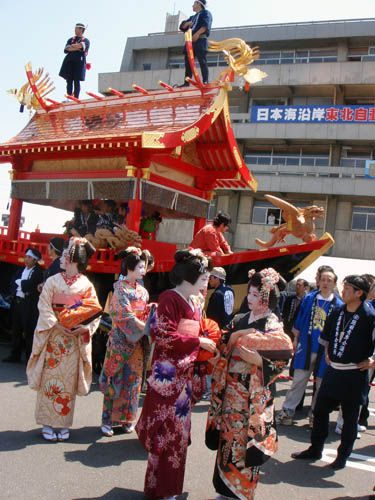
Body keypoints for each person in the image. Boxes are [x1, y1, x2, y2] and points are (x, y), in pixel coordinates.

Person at [206, 268, 293, 500]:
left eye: (255, 295)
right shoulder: (240, 318)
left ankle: (243, 492)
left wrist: (258, 360)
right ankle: (224, 489)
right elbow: (225, 342)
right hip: (231, 391)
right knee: (228, 440)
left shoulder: (272, 323)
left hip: (251, 395)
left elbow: (284, 350)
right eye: (250, 294)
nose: (249, 298)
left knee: (247, 444)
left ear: (266, 299)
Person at [136, 249, 216, 500]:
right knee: (165, 432)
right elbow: (161, 334)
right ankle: (158, 489)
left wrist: (207, 339)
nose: (207, 281)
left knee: (178, 436)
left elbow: (198, 330)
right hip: (168, 374)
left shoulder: (195, 301)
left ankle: (168, 489)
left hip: (185, 374)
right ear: (191, 275)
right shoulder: (170, 298)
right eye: (204, 276)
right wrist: (198, 341)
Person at [292, 275, 375, 470]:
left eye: (348, 288)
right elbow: (326, 336)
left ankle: (342, 456)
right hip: (334, 371)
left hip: (354, 374)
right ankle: (316, 448)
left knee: (349, 418)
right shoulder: (338, 311)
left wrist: (373, 361)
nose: (343, 291)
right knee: (320, 410)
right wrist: (327, 353)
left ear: (359, 293)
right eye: (344, 287)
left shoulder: (369, 316)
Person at [26, 237, 101, 441]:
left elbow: (94, 311)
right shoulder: (52, 281)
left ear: (73, 259)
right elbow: (44, 305)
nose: (62, 258)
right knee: (50, 380)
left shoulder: (86, 285)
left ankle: (63, 423)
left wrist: (83, 328)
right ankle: (47, 422)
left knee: (66, 382)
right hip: (55, 337)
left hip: (72, 342)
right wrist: (57, 323)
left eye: (66, 254)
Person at [277, 268, 343, 426]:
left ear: (334, 284)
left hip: (325, 351)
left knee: (321, 385)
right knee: (298, 381)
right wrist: (295, 340)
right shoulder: (309, 299)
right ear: (318, 281)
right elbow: (298, 322)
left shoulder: (339, 305)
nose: (326, 283)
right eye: (323, 279)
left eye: (329, 280)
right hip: (306, 347)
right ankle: (287, 411)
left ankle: (316, 415)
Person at [99, 247, 150, 436]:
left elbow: (144, 312)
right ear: (129, 268)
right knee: (116, 378)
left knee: (133, 381)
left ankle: (128, 419)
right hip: (122, 339)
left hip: (137, 342)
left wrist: (148, 319)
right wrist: (143, 325)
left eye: (144, 267)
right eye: (140, 267)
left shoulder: (143, 292)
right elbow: (122, 314)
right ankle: (107, 420)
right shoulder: (119, 288)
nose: (143, 270)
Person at [3, 248, 44, 363]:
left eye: (29, 257)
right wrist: (21, 284)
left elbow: (29, 286)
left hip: (29, 304)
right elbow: (13, 282)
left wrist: (21, 283)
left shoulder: (37, 272)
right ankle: (15, 354)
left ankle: (29, 357)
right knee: (16, 328)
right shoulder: (21, 270)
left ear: (35, 260)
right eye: (26, 256)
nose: (26, 259)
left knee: (29, 330)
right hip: (18, 302)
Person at [179, 0, 213, 86]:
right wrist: (187, 23)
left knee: (202, 61)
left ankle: (205, 81)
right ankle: (187, 82)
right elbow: (182, 27)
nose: (192, 6)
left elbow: (206, 25)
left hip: (200, 40)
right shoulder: (192, 17)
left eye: (194, 3)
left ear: (199, 4)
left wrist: (197, 34)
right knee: (188, 63)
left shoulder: (205, 13)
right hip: (190, 43)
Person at [59, 23, 90, 98]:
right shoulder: (71, 39)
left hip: (79, 62)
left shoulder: (86, 40)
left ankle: (76, 97)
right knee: (69, 79)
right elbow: (67, 49)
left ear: (81, 29)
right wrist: (78, 47)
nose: (75, 30)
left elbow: (82, 46)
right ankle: (69, 96)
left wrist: (73, 46)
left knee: (76, 80)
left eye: (77, 28)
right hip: (69, 62)